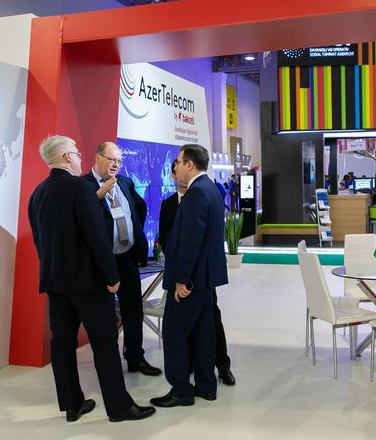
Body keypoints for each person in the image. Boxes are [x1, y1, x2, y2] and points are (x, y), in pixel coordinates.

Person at [27, 135, 155, 423]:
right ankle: (119, 408)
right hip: (88, 283)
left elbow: (40, 241)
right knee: (105, 342)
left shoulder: (38, 193)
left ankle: (72, 405)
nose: (80, 157)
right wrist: (111, 276)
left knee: (62, 343)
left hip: (55, 283)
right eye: (76, 153)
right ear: (66, 157)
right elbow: (96, 237)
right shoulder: (81, 188)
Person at [150, 144, 228, 408]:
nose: (176, 166)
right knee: (204, 330)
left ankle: (181, 390)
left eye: (179, 161)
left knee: (174, 330)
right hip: (206, 276)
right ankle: (206, 385)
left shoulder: (196, 193)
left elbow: (191, 241)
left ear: (190, 164)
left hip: (192, 279)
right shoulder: (211, 189)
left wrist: (182, 280)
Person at [83, 142, 162, 377]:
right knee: (105, 313)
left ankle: (135, 357)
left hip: (126, 258)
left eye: (119, 161)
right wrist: (98, 196)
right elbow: (81, 218)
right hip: (102, 262)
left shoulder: (125, 183)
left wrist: (134, 231)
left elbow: (139, 207)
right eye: (111, 159)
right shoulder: (83, 186)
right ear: (98, 158)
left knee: (133, 309)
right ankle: (109, 365)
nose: (116, 165)